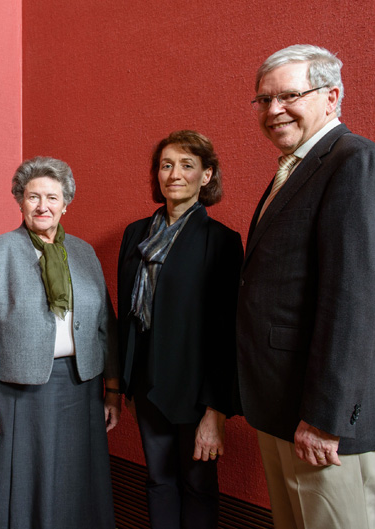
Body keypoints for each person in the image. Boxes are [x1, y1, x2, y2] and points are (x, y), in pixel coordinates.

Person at [236, 44, 375, 528]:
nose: (273, 111)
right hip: (283, 406)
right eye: (263, 100)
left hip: (326, 419)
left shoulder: (356, 163)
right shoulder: (294, 168)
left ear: (332, 97)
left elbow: (357, 302)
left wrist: (324, 418)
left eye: (289, 95)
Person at [0, 156, 121, 529]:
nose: (42, 206)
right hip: (17, 391)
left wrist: (113, 389)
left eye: (52, 197)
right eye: (33, 197)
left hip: (82, 387)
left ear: (66, 203)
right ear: (20, 201)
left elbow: (105, 325)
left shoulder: (84, 253)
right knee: (23, 481)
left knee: (75, 479)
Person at [117, 130, 242, 529]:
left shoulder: (221, 241)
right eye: (166, 165)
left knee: (197, 483)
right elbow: (127, 314)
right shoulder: (136, 234)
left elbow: (226, 332)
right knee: (157, 479)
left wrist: (216, 411)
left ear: (206, 176)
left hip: (194, 388)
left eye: (187, 165)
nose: (174, 174)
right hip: (146, 381)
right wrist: (123, 382)